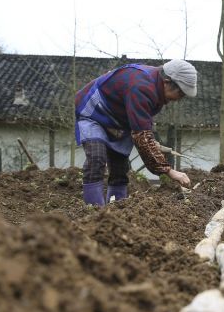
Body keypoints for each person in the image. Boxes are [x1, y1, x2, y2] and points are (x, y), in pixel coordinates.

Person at [75, 59, 196, 206]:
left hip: (120, 122)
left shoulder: (156, 87)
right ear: (167, 81)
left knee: (120, 168)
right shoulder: (142, 87)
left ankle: (116, 212)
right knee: (96, 158)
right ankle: (93, 212)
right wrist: (169, 171)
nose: (179, 99)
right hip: (95, 113)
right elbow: (142, 136)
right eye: (181, 93)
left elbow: (143, 128)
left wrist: (149, 140)